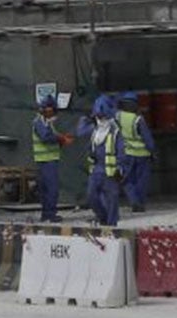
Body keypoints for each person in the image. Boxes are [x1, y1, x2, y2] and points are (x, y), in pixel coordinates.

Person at [82, 96, 123, 226]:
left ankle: (111, 224)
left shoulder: (116, 132)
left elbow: (122, 152)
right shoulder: (94, 131)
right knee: (91, 196)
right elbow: (82, 136)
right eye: (98, 117)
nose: (101, 119)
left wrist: (120, 169)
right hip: (96, 170)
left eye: (103, 116)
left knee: (112, 200)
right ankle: (103, 217)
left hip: (110, 172)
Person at [31, 99, 73, 223]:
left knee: (47, 189)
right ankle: (50, 214)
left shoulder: (45, 122)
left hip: (48, 160)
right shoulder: (40, 122)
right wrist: (61, 139)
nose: (54, 113)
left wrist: (61, 139)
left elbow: (51, 136)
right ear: (46, 109)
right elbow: (45, 137)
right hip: (46, 161)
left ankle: (47, 214)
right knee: (51, 189)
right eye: (52, 110)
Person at [115, 91, 157, 212]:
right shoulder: (138, 119)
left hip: (126, 154)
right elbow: (147, 138)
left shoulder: (118, 116)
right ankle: (140, 203)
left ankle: (134, 201)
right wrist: (153, 151)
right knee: (141, 181)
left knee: (127, 179)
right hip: (142, 155)